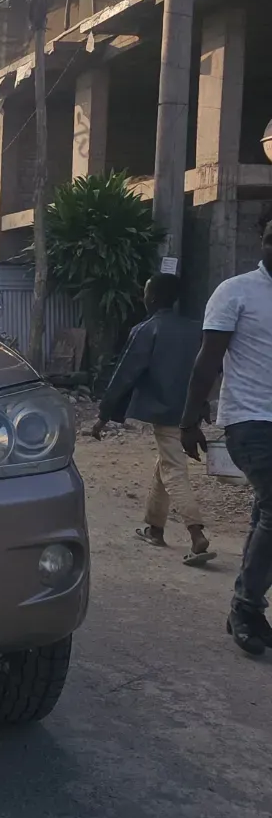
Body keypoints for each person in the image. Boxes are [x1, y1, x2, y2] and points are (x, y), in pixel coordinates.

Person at [182, 212, 272, 656]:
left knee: (264, 514)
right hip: (249, 421)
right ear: (261, 237)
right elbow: (207, 361)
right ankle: (247, 607)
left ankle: (245, 602)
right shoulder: (235, 292)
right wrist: (188, 419)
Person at [90, 272, 215, 566]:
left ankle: (196, 533)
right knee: (165, 464)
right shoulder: (195, 329)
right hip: (190, 409)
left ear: (154, 297)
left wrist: (103, 416)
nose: (143, 297)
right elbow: (206, 370)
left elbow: (124, 376)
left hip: (167, 411)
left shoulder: (147, 330)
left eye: (146, 292)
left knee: (173, 469)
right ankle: (154, 528)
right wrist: (203, 405)